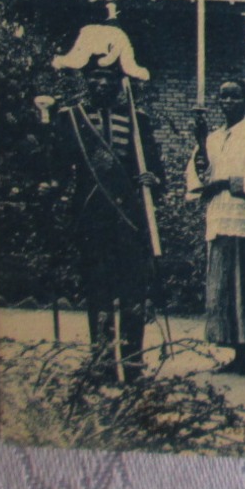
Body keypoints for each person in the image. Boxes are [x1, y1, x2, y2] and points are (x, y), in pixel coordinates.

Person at [40, 55, 163, 384]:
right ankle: (103, 363)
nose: (103, 83)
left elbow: (155, 171)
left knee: (134, 291)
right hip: (91, 219)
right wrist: (50, 188)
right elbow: (60, 170)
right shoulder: (71, 118)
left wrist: (152, 179)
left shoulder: (138, 121)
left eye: (110, 77)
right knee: (99, 291)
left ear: (121, 81)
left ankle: (134, 365)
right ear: (85, 79)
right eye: (95, 76)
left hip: (131, 220)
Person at [186, 78, 245, 376]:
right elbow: (199, 175)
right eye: (223, 97)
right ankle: (237, 352)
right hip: (221, 219)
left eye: (235, 97)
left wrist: (224, 183)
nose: (228, 102)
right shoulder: (212, 138)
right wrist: (199, 143)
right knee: (226, 288)